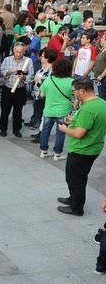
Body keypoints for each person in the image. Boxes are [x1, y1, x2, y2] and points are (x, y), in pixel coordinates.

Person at [56, 78, 106, 216]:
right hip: (94, 147)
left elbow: (79, 133)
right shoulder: (101, 103)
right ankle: (73, 199)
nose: (74, 94)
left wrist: (64, 129)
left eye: (75, 91)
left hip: (82, 149)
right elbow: (93, 123)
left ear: (82, 91)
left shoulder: (88, 109)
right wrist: (74, 120)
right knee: (75, 177)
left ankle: (76, 208)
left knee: (75, 179)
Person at [39, 56, 73, 160]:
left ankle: (43, 151)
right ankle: (57, 154)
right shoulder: (71, 81)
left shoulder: (49, 79)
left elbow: (41, 95)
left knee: (45, 131)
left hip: (49, 111)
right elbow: (74, 96)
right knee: (61, 133)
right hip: (64, 112)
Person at [0, 44, 32, 137]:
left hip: (20, 89)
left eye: (21, 52)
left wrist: (24, 77)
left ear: (24, 51)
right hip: (8, 88)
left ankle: (17, 129)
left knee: (18, 111)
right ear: (14, 51)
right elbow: (2, 71)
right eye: (17, 52)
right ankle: (3, 129)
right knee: (5, 110)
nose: (18, 54)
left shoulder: (28, 61)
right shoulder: (7, 60)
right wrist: (10, 71)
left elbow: (31, 75)